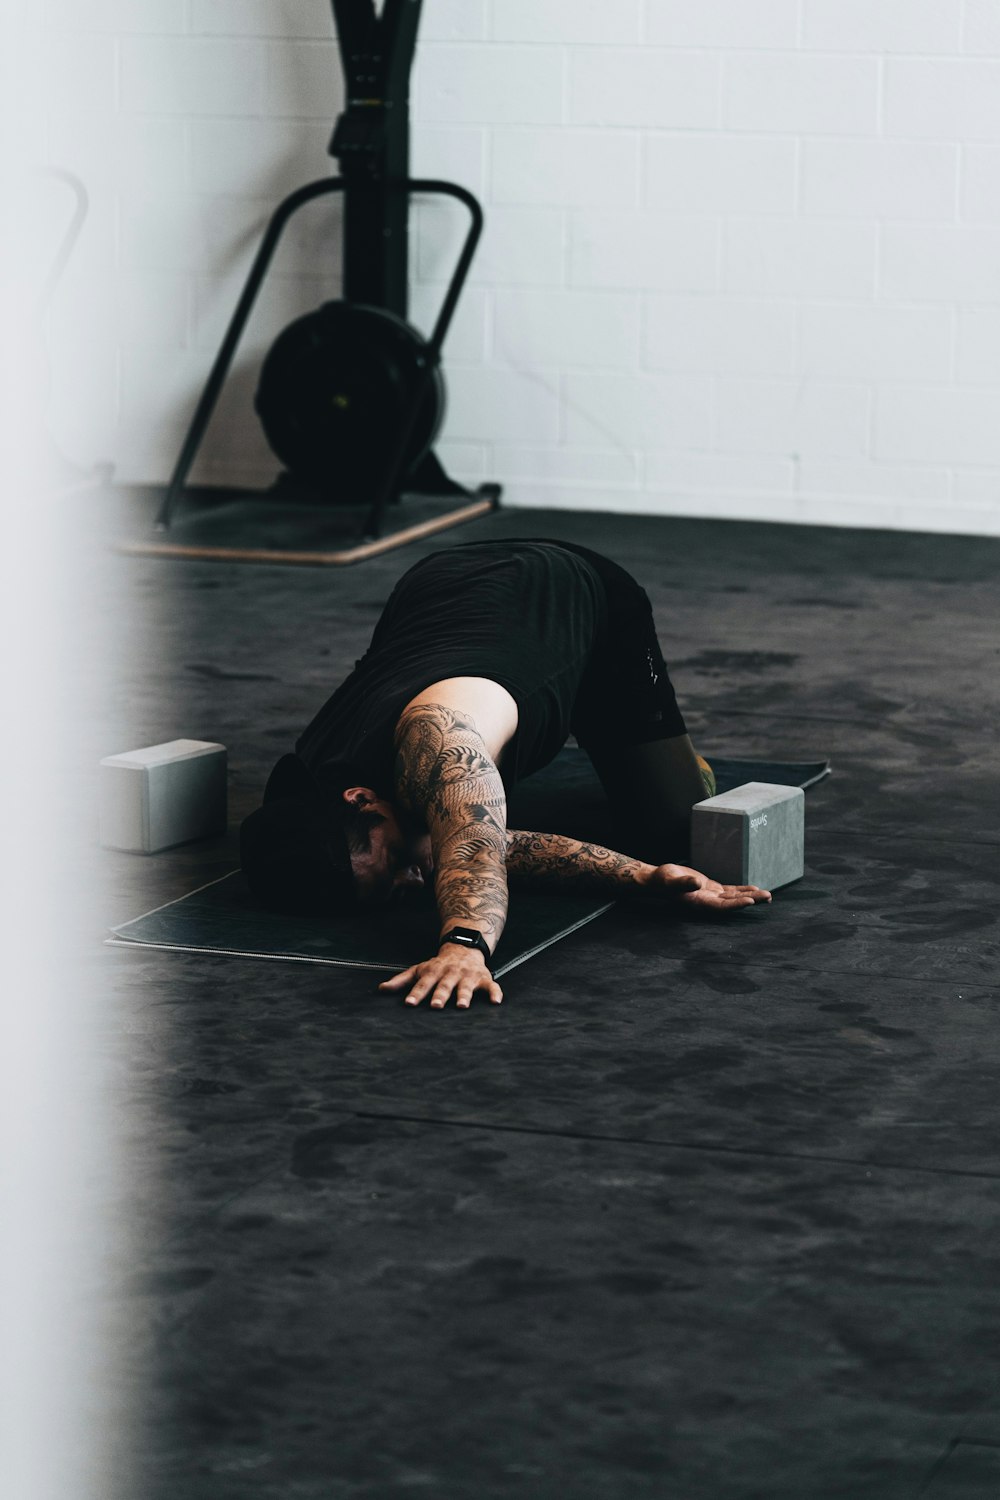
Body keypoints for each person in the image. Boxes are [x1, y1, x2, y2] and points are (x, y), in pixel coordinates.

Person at [240, 538, 771, 1010]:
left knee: (672, 823)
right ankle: (548, 706)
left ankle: (608, 717)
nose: (414, 876)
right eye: (397, 888)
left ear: (359, 798)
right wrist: (640, 876)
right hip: (440, 586)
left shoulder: (438, 739)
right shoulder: (313, 791)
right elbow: (484, 845)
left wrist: (463, 946)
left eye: (396, 861)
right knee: (456, 829)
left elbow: (473, 844)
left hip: (568, 586)